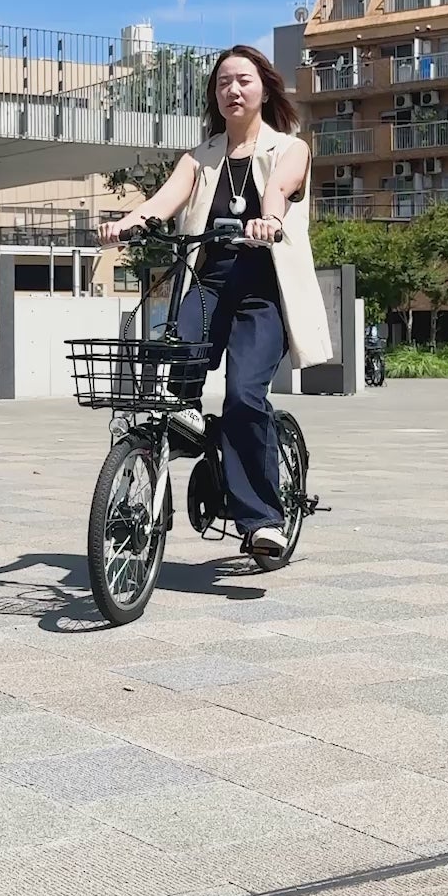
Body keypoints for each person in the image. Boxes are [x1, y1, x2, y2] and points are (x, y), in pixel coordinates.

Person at [99, 44, 331, 556]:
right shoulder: (200, 157)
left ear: (264, 89)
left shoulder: (289, 148)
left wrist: (269, 219)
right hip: (207, 286)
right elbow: (161, 203)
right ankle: (169, 475)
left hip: (262, 292)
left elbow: (280, 189)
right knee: (173, 383)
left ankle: (263, 519)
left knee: (244, 395)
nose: (233, 90)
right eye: (223, 82)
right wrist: (126, 225)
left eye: (243, 80)